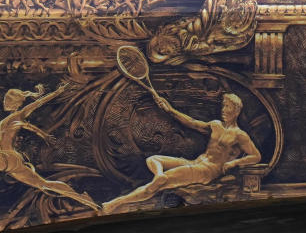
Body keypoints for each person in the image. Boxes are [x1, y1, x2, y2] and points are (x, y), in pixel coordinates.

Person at [102, 91, 261, 213]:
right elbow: (191, 123)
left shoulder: (240, 135)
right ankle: (159, 175)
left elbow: (256, 156)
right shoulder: (215, 125)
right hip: (196, 163)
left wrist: (234, 162)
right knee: (153, 160)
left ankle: (115, 204)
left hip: (208, 171)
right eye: (223, 106)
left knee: (158, 185)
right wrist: (170, 110)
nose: (224, 110)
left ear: (236, 111)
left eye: (228, 107)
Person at [0, 83, 100, 212]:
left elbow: (38, 104)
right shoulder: (10, 120)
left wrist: (58, 92)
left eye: (6, 100)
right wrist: (58, 92)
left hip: (5, 157)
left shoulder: (14, 118)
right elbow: (37, 106)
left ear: (13, 103)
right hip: (11, 160)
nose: (5, 103)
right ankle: (82, 198)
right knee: (43, 184)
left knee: (44, 184)